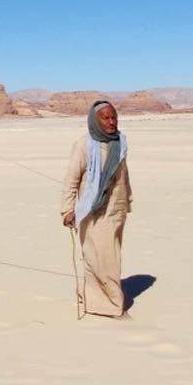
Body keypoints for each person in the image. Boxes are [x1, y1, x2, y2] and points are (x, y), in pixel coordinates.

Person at [60, 100, 132, 318]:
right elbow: (71, 179)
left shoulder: (120, 142)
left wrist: (127, 200)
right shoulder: (83, 145)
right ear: (95, 120)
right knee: (102, 259)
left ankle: (95, 301)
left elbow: (123, 175)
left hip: (116, 210)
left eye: (114, 117)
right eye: (106, 118)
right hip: (93, 212)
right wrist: (67, 209)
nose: (111, 122)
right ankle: (111, 305)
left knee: (108, 258)